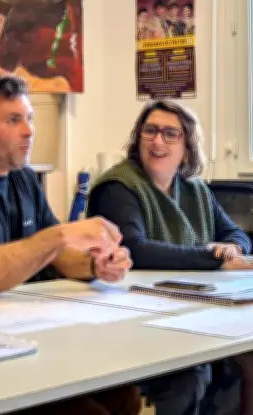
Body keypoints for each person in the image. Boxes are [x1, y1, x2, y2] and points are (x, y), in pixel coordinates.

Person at [0, 76, 140, 415]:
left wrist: (95, 265)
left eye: (29, 118)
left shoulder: (23, 177)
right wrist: (59, 234)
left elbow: (58, 255)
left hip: (15, 332)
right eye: (14, 120)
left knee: (123, 394)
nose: (29, 130)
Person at [88, 99, 253, 414]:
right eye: (149, 131)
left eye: (170, 134)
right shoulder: (119, 186)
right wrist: (213, 258)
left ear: (187, 147)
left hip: (190, 309)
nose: (157, 141)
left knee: (235, 364)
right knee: (192, 373)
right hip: (136, 316)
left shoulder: (194, 189)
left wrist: (233, 247)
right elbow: (135, 249)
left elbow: (236, 233)